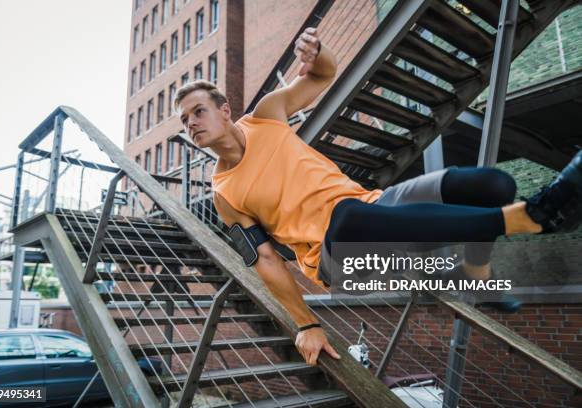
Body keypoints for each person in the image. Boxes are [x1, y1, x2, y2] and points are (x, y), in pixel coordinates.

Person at [174, 28, 582, 366]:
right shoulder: (224, 194)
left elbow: (321, 76)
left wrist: (318, 52)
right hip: (335, 259)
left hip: (371, 204)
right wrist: (305, 323)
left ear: (225, 111)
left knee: (493, 187)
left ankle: (477, 273)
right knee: (348, 217)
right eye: (185, 120)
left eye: (198, 112)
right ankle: (532, 216)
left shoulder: (267, 114)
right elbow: (264, 260)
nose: (192, 124)